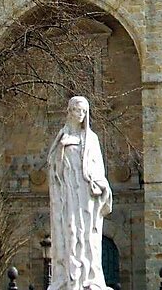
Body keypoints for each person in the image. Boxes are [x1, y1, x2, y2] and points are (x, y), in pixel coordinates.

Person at [47, 96, 112, 290]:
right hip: (68, 194)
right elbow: (53, 167)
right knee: (70, 231)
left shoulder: (91, 139)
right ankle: (70, 277)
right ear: (70, 111)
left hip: (87, 196)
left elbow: (98, 167)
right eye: (77, 110)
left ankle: (89, 277)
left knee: (89, 237)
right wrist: (61, 152)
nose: (81, 115)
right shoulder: (62, 138)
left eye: (84, 111)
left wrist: (101, 184)